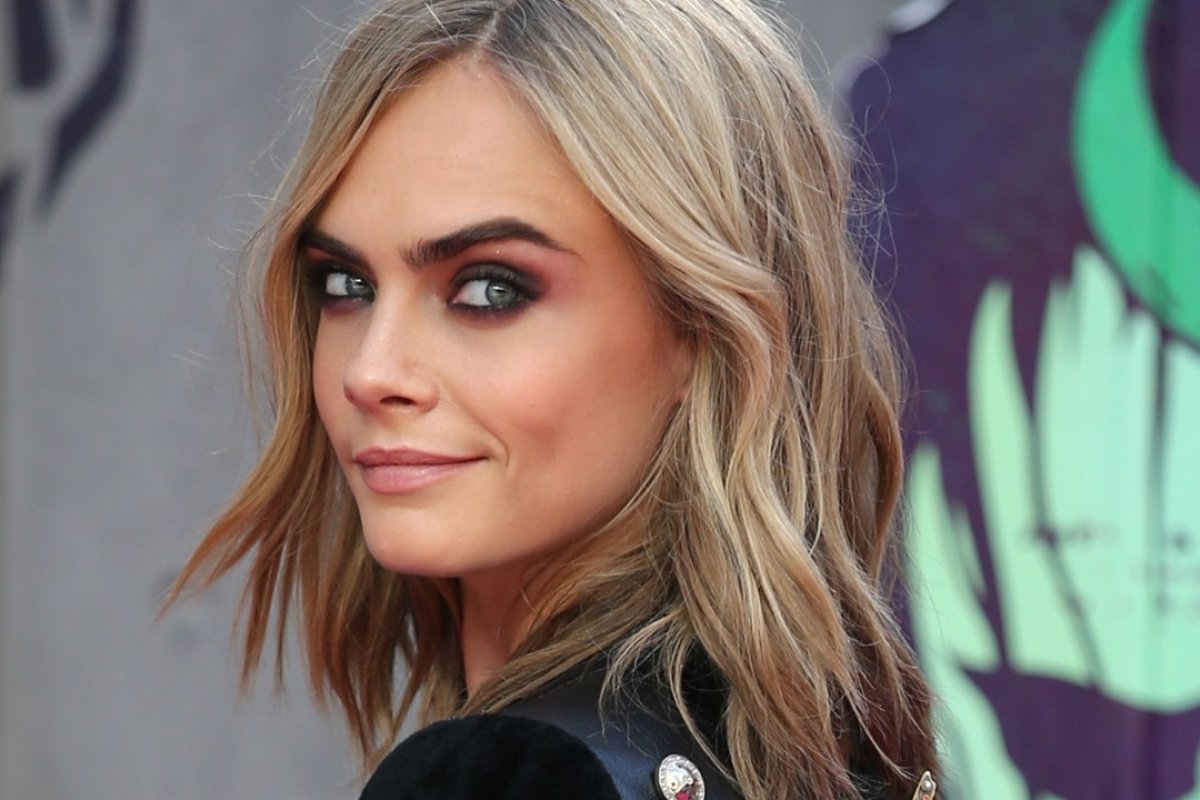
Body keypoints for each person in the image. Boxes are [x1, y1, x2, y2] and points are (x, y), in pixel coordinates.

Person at [168, 1, 940, 798]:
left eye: (490, 289)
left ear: (703, 325)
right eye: (345, 284)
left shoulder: (509, 779)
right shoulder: (840, 757)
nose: (370, 371)